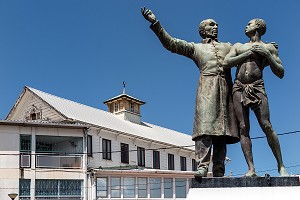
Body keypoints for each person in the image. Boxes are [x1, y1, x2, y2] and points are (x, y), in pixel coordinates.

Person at [141, 7, 239, 177]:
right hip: (207, 90)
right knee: (205, 128)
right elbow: (171, 43)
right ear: (203, 31)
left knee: (222, 132)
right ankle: (202, 165)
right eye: (211, 25)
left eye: (216, 25)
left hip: (225, 89)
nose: (216, 27)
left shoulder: (228, 47)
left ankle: (219, 168)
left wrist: (265, 47)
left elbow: (245, 52)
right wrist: (155, 23)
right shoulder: (196, 48)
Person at [224, 18, 289, 177]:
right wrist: (248, 53)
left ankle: (281, 165)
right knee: (243, 128)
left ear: (258, 27)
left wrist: (267, 54)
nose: (246, 25)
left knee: (266, 125)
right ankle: (251, 168)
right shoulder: (238, 46)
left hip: (257, 86)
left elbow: (281, 72)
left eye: (250, 23)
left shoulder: (268, 47)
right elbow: (226, 62)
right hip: (239, 88)